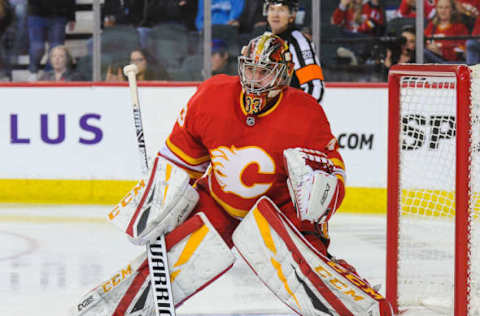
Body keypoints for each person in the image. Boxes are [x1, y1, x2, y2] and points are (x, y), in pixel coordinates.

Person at [72, 32, 393, 316]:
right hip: (220, 202)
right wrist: (155, 203)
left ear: (282, 75)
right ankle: (113, 310)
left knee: (306, 272)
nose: (254, 78)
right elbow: (178, 160)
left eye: (264, 72)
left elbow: (333, 175)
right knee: (171, 256)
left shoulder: (306, 113)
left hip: (280, 211)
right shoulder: (212, 95)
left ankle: (361, 307)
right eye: (249, 68)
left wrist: (317, 195)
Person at [265, 0, 325, 103]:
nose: (275, 14)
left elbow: (315, 88)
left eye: (281, 10)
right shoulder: (264, 41)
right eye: (272, 9)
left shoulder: (299, 42)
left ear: (292, 15)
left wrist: (296, 114)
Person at [26, 0, 76, 81]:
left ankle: (49, 74)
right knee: (37, 47)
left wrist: (72, 16)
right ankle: (33, 71)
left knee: (55, 48)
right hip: (36, 12)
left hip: (59, 13)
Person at [105, 48, 171, 81]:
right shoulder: (127, 79)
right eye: (132, 61)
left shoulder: (157, 75)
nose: (135, 64)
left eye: (139, 60)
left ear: (146, 61)